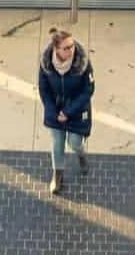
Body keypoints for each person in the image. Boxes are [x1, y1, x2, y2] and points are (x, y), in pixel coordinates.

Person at [37, 28, 94, 195]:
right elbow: (44, 90)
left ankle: (82, 154)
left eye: (72, 46)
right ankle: (58, 175)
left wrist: (68, 111)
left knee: (75, 142)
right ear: (56, 49)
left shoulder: (82, 63)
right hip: (55, 109)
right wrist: (53, 111)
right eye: (66, 48)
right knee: (57, 142)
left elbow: (88, 89)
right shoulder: (46, 64)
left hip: (76, 109)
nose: (71, 50)